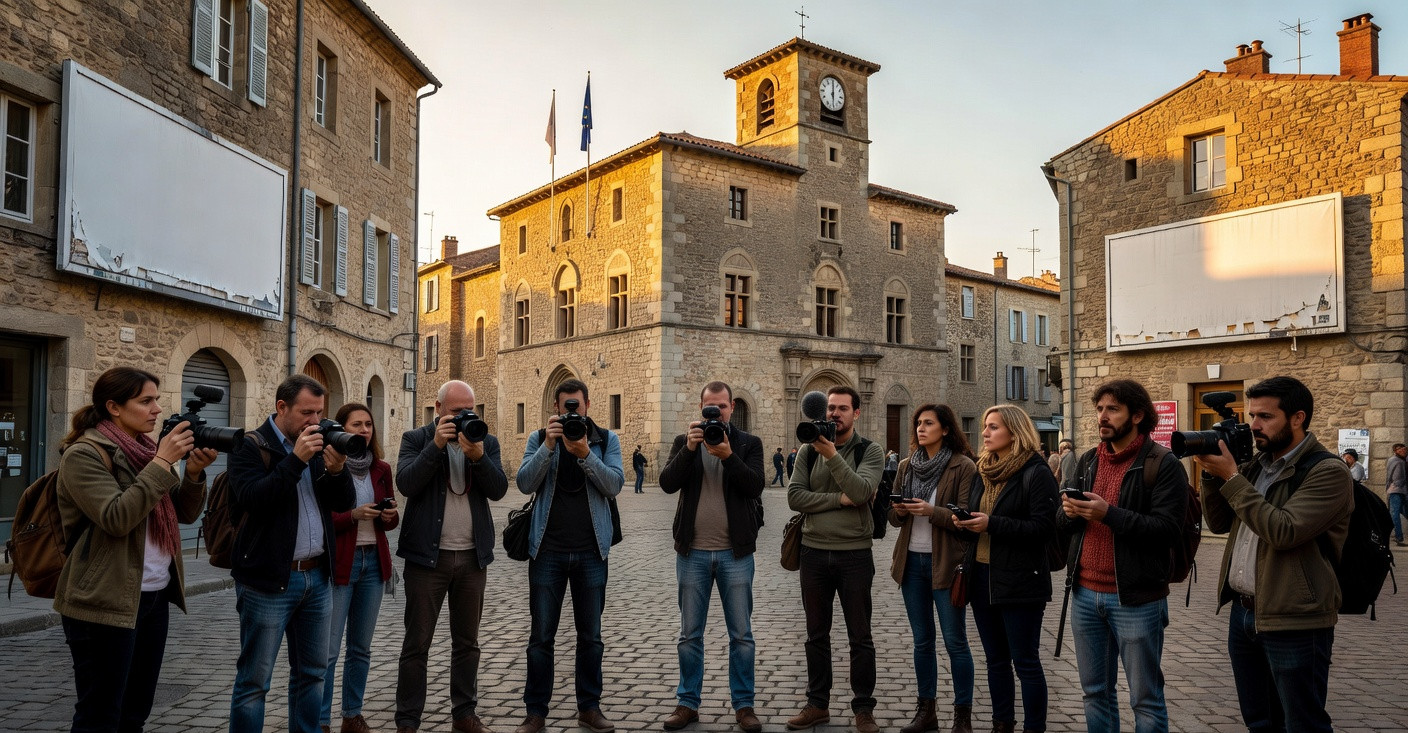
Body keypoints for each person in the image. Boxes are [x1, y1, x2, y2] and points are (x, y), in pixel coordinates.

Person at [53, 367, 216, 733]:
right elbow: (116, 517)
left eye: (156, 399)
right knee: (100, 716)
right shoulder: (84, 455)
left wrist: (192, 475)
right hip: (103, 600)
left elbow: (183, 513)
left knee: (135, 713)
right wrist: (163, 462)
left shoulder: (143, 451)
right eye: (146, 401)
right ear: (114, 407)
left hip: (154, 596)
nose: (157, 409)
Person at [1195, 376, 1353, 733]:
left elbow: (1284, 531)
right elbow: (1218, 523)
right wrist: (1212, 475)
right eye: (1252, 416)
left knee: (1302, 723)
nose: (1254, 426)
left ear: (1297, 418)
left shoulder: (1328, 471)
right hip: (1244, 614)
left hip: (1295, 619)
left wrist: (1231, 477)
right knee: (1260, 721)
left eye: (1265, 416)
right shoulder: (1256, 466)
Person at [1058, 380, 1188, 733]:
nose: (1103, 416)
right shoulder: (1088, 460)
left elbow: (1167, 530)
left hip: (1136, 598)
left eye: (1113, 409)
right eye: (1100, 409)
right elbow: (1062, 523)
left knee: (1145, 699)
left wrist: (1109, 515)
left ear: (1137, 415)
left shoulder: (1163, 463)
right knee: (1094, 693)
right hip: (1085, 595)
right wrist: (1068, 513)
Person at [228, 374, 354, 733]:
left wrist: (337, 471)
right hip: (267, 581)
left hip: (317, 577)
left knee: (313, 674)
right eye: (306, 413)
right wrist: (296, 460)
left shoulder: (316, 442)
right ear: (282, 407)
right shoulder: (250, 446)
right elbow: (254, 499)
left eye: (319, 412)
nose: (315, 421)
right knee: (255, 682)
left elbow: (342, 503)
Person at [394, 381, 508, 733]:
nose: (464, 417)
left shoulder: (485, 441)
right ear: (438, 407)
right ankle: (408, 721)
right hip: (427, 559)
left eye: (469, 410)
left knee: (468, 643)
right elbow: (407, 484)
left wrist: (478, 457)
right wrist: (437, 445)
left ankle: (464, 714)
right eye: (457, 411)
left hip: (473, 558)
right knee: (417, 643)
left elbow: (499, 489)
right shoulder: (416, 439)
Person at [514, 379, 624, 733]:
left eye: (577, 406)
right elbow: (524, 483)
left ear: (588, 405)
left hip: (592, 552)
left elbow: (614, 484)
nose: (572, 412)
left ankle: (589, 707)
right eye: (566, 407)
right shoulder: (539, 438)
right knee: (541, 637)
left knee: (591, 637)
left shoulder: (605, 440)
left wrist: (585, 454)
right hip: (547, 551)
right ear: (556, 408)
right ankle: (535, 712)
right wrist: (549, 446)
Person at [658, 381, 766, 733]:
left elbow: (755, 485)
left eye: (721, 407)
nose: (716, 413)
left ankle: (744, 705)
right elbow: (667, 483)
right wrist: (690, 449)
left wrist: (729, 456)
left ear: (731, 407)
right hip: (693, 554)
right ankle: (687, 703)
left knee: (742, 636)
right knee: (689, 635)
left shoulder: (748, 443)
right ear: (701, 408)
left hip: (736, 554)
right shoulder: (684, 441)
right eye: (710, 407)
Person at [784, 386, 885, 733]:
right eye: (830, 408)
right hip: (812, 552)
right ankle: (817, 704)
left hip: (855, 553)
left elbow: (860, 491)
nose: (834, 414)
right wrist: (838, 501)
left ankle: (863, 709)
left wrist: (831, 455)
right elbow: (795, 497)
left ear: (856, 413)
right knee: (816, 635)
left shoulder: (870, 450)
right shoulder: (807, 449)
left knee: (860, 636)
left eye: (842, 408)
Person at [953, 404, 1056, 733]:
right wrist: (963, 524)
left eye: (993, 427)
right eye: (985, 426)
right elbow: (979, 521)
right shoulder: (982, 470)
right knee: (996, 660)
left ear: (1014, 432)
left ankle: (1034, 728)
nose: (984, 433)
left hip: (1021, 580)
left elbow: (1043, 528)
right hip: (982, 577)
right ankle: (1002, 725)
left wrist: (992, 524)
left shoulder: (1035, 471)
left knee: (1025, 662)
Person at [887, 404, 978, 733]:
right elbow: (893, 518)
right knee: (922, 641)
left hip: (947, 564)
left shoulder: (963, 465)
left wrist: (930, 511)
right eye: (918, 423)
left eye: (928, 423)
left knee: (955, 641)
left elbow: (965, 517)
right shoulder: (907, 465)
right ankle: (926, 712)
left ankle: (962, 716)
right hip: (911, 562)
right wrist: (900, 510)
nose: (921, 428)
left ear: (945, 429)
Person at [322, 403, 399, 733]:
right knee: (328, 650)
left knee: (360, 648)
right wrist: (353, 515)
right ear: (342, 430)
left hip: (373, 565)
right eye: (356, 425)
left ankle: (352, 715)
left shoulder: (381, 468)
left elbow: (390, 522)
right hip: (342, 564)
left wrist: (389, 515)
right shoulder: (327, 466)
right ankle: (321, 720)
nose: (364, 430)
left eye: (368, 424)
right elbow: (322, 520)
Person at [1387, 443, 1407, 547]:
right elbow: (1395, 478)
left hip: (1399, 490)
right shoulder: (1397, 461)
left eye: (1404, 449)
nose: (1403, 451)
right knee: (1395, 514)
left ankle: (1398, 537)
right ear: (1396, 451)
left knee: (1398, 513)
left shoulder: (1402, 460)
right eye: (1400, 449)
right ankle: (1399, 537)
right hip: (1396, 490)